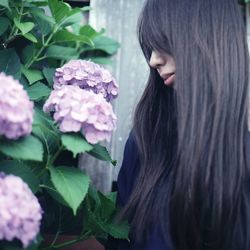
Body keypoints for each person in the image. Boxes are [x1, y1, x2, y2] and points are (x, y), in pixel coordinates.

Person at [107, 0, 250, 249]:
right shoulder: (146, 138)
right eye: (149, 48)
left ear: (205, 32)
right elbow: (119, 239)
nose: (152, 60)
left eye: (161, 42)